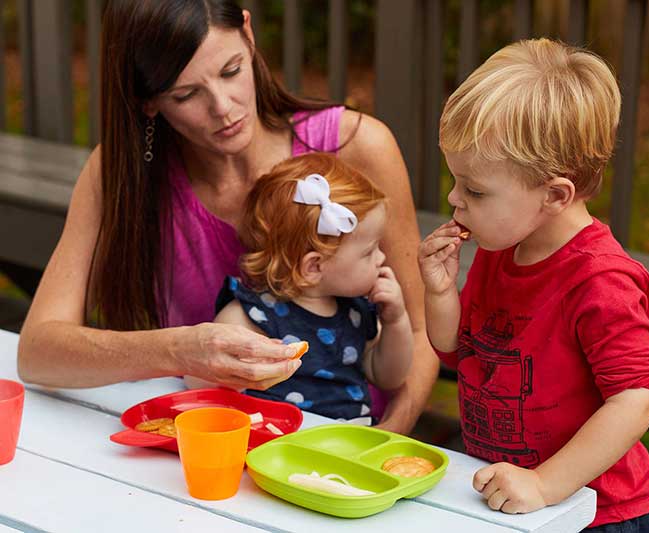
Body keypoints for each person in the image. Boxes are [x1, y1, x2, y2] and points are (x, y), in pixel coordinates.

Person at [17, 0, 438, 434]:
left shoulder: (356, 146)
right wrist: (179, 350)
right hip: (214, 448)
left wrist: (384, 443)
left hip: (350, 447)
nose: (223, 107)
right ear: (148, 102)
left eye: (232, 70)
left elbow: (422, 330)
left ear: (249, 36)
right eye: (186, 94)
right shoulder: (121, 177)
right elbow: (37, 353)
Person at [419, 38, 649, 531]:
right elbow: (456, 349)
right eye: (455, 180)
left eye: (475, 189)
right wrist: (440, 293)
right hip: (511, 499)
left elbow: (636, 399)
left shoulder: (600, 281)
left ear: (554, 195)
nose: (453, 198)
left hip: (594, 514)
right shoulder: (500, 246)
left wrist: (547, 483)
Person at [186, 153, 413, 423]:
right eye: (369, 252)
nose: (382, 258)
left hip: (351, 445)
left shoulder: (356, 309)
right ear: (314, 267)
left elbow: (388, 375)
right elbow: (198, 378)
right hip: (276, 447)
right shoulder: (254, 315)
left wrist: (396, 321)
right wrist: (232, 375)